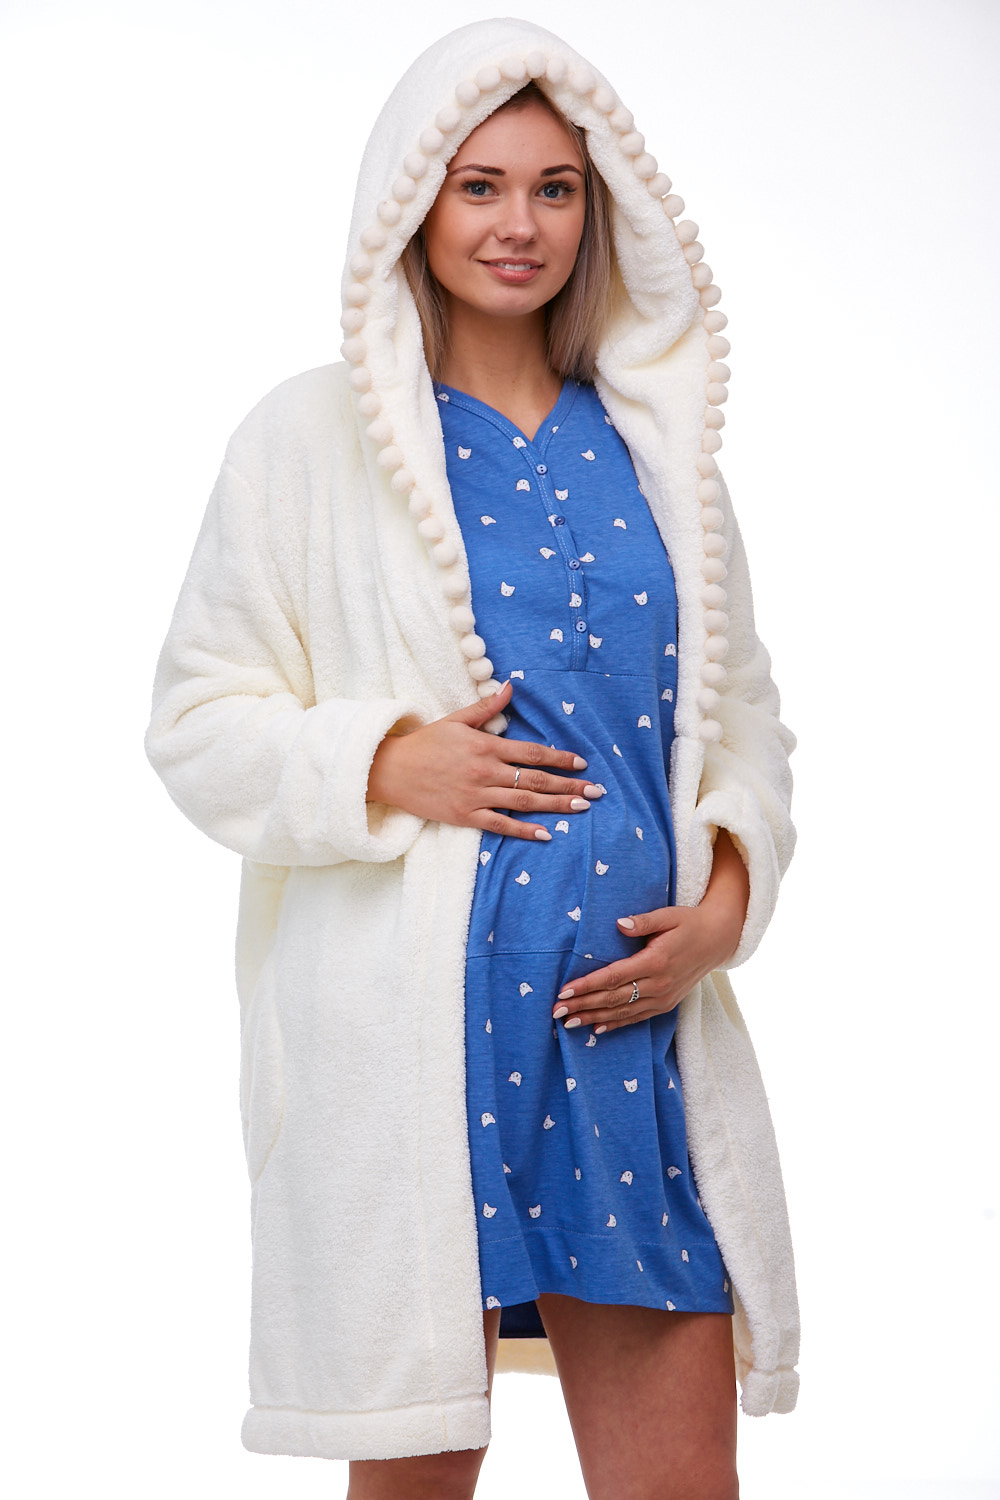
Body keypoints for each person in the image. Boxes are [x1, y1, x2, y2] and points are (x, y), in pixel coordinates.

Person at [145, 17, 798, 1500]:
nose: (520, 225)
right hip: (418, 1041)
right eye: (479, 185)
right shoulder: (304, 443)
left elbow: (746, 715)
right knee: (415, 1478)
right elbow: (196, 719)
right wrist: (386, 765)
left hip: (629, 1036)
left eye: (555, 189)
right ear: (413, 202)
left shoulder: (657, 454)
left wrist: (726, 900)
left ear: (597, 207)